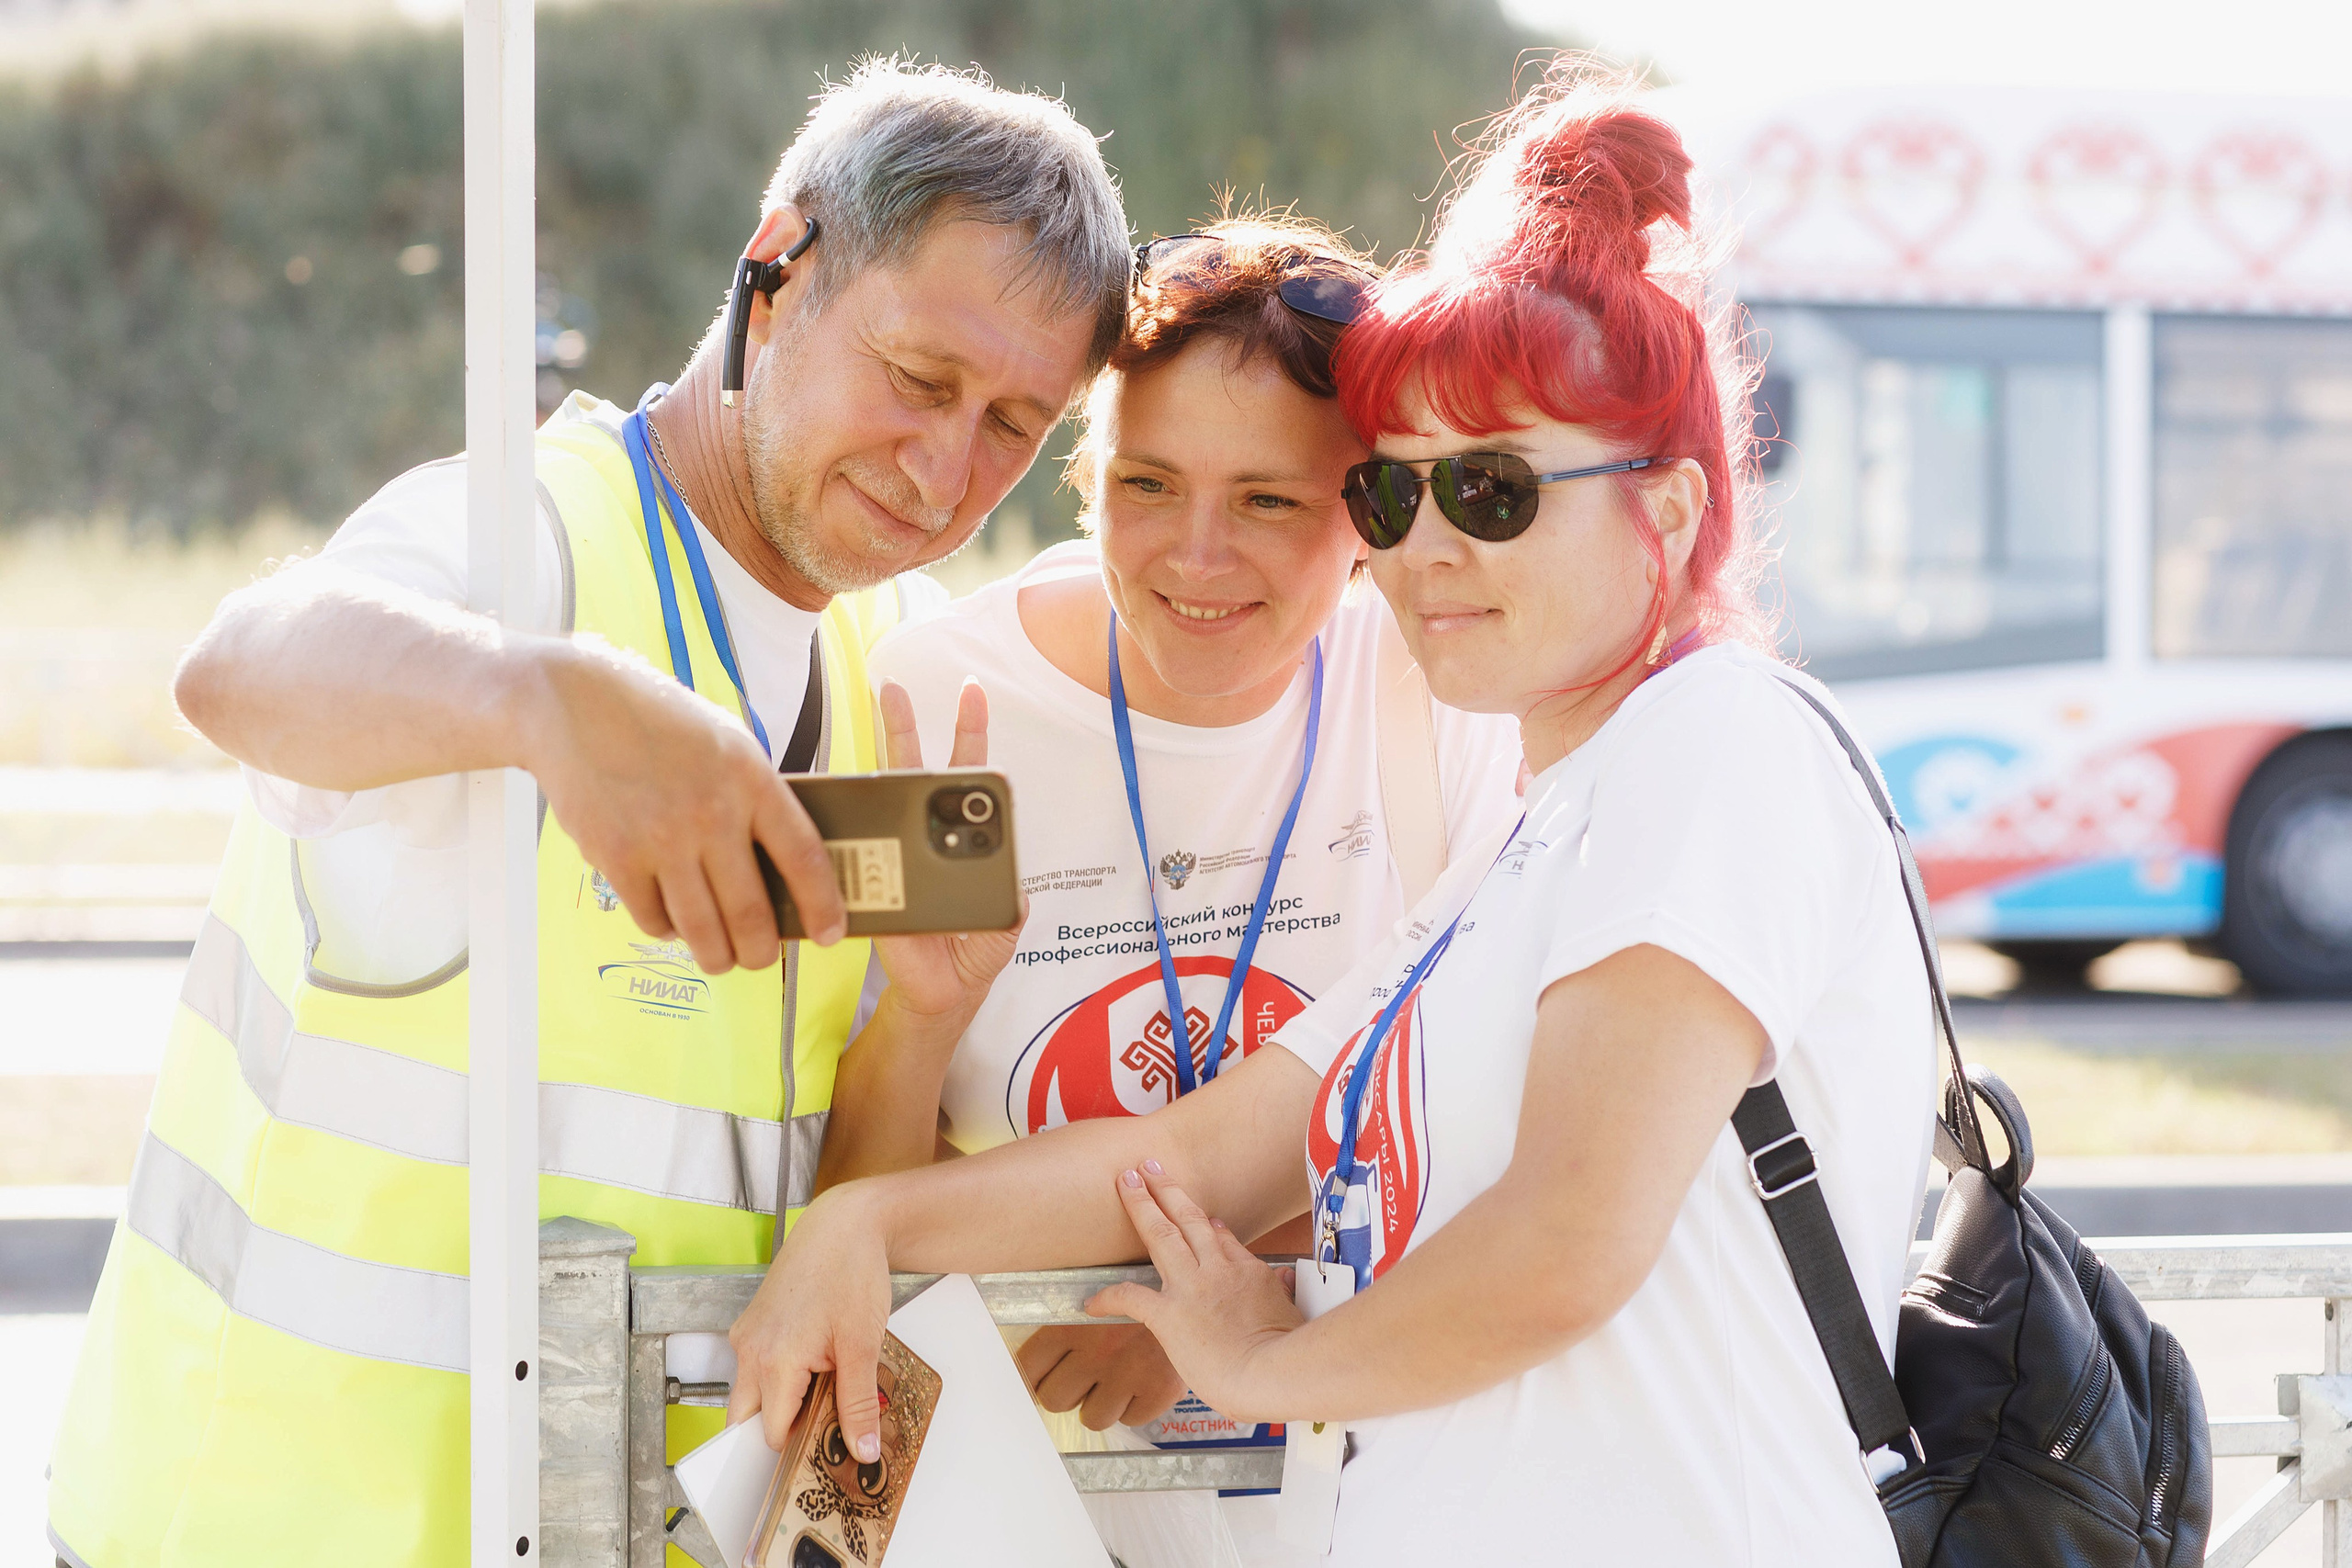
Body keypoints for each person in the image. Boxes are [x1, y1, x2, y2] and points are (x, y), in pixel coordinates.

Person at [728, 62, 1938, 1567]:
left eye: (1493, 493)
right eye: (1399, 499)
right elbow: (1217, 1150)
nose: (1429, 548)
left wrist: (1256, 1361)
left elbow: (1566, 1241)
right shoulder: (1527, 839)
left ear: (1673, 510)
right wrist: (870, 1223)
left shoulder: (1716, 740)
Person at [44, 62, 1128, 1568]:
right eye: (920, 378)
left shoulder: (896, 668)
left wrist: (917, 1035)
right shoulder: (520, 541)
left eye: (1015, 423)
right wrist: (543, 699)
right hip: (276, 1531)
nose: (949, 471)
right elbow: (237, 669)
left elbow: (829, 1251)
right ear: (778, 268)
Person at [822, 215, 1523, 1562]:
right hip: (1003, 1507)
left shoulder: (1438, 700)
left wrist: (1184, 1294)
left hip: (1353, 1509)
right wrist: (916, 1024)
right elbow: (850, 1209)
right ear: (1085, 479)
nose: (1198, 559)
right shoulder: (933, 707)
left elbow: (1491, 1138)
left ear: (1369, 510)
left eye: (1269, 500)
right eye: (1148, 485)